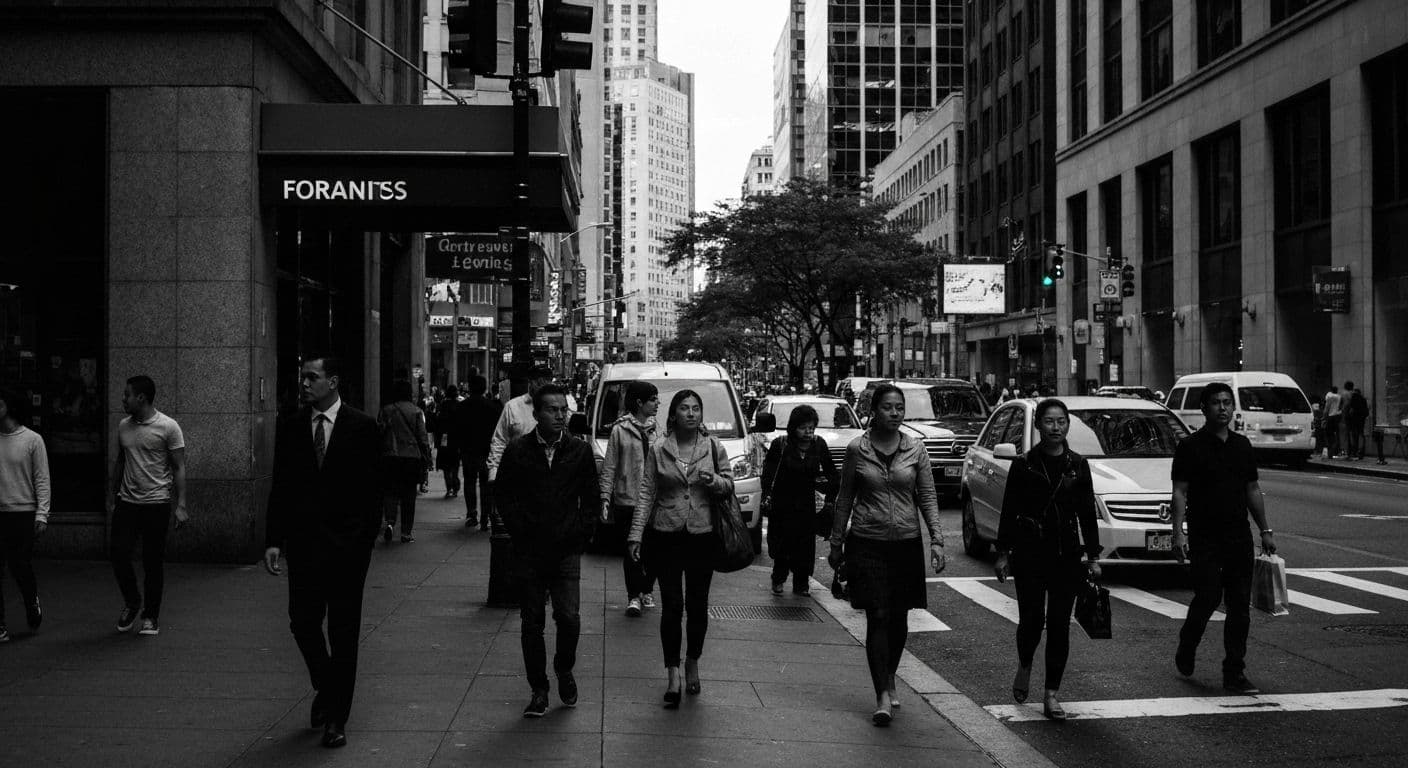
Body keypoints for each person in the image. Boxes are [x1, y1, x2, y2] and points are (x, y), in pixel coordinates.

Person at [264, 355, 382, 748]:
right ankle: (327, 686)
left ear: (332, 382)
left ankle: (337, 718)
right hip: (304, 546)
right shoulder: (293, 425)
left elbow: (373, 492)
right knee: (302, 621)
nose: (304, 383)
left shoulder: (363, 427)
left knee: (344, 632)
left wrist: (362, 544)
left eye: (311, 377)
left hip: (348, 550)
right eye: (302, 377)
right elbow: (280, 484)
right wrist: (273, 540)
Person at [827, 383, 946, 727]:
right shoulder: (857, 449)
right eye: (888, 407)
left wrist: (937, 540)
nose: (894, 413)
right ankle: (881, 693)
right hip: (867, 541)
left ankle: (889, 675)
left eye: (899, 408)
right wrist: (836, 543)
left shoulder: (915, 449)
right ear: (874, 411)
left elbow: (927, 496)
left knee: (899, 617)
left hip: (906, 542)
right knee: (877, 613)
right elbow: (845, 498)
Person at [494, 384, 599, 718]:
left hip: (567, 549)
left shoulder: (579, 451)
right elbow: (504, 496)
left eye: (563, 410)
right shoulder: (518, 450)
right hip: (530, 550)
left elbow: (592, 499)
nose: (559, 416)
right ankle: (538, 688)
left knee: (569, 618)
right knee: (531, 623)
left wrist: (582, 533)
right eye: (552, 410)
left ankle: (563, 667)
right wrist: (519, 531)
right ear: (536, 414)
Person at [993, 399, 1101, 721]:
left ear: (1068, 425)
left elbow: (1086, 514)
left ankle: (1051, 693)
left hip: (1066, 555)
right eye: (1049, 422)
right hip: (1029, 553)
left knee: (1058, 625)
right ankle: (1025, 663)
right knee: (1031, 623)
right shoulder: (1024, 464)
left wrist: (1093, 556)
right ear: (1038, 425)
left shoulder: (1077, 465)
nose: (1056, 427)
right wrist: (1002, 553)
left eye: (1061, 421)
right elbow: (1009, 511)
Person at [626, 390, 734, 708]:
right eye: (684, 408)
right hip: (666, 535)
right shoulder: (659, 448)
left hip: (702, 535)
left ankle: (692, 661)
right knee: (672, 605)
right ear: (673, 415)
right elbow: (646, 491)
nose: (691, 413)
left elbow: (728, 483)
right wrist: (635, 536)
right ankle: (672, 672)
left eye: (696, 408)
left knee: (698, 606)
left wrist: (714, 480)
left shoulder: (713, 446)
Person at [1171, 382, 1276, 695]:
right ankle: (1187, 644)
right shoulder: (1190, 446)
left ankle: (1234, 671)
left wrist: (1265, 530)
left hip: (1238, 537)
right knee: (1207, 596)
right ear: (1204, 408)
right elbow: (1180, 490)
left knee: (1239, 608)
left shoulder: (1242, 446)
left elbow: (1252, 490)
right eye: (1216, 402)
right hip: (1204, 536)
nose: (1223, 408)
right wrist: (1178, 532)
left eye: (1227, 402)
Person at [108, 375, 188, 637]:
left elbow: (179, 467)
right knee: (118, 554)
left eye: (127, 394)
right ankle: (132, 601)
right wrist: (113, 494)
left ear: (141, 398)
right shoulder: (123, 426)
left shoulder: (169, 427)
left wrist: (182, 505)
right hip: (127, 502)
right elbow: (121, 461)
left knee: (152, 561)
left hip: (156, 503)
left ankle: (151, 616)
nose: (123, 399)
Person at [760, 405, 838, 596]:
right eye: (803, 427)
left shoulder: (819, 445)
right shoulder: (780, 445)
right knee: (783, 548)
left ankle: (801, 584)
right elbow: (768, 475)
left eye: (811, 427)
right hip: (782, 506)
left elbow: (833, 475)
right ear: (793, 427)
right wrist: (767, 496)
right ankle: (778, 578)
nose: (808, 432)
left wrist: (829, 499)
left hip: (806, 507)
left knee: (804, 548)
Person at [600, 380, 660, 616]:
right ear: (639, 403)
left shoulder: (658, 430)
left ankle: (646, 589)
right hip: (627, 499)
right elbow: (610, 466)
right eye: (653, 400)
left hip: (654, 501)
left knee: (653, 551)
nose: (657, 404)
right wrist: (605, 496)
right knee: (632, 551)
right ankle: (633, 596)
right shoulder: (619, 430)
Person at [0, 387, 49, 643]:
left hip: (22, 512)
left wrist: (42, 514)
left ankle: (31, 602)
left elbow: (42, 479)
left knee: (20, 566)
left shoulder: (32, 440)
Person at [377, 379, 432, 544]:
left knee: (390, 491)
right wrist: (427, 459)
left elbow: (379, 433)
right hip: (411, 457)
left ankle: (390, 522)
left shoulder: (386, 410)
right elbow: (422, 438)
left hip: (390, 456)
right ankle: (406, 532)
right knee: (409, 494)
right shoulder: (416, 411)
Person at [487, 366, 556, 481]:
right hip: (518, 475)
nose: (542, 388)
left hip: (549, 477)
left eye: (546, 384)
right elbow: (499, 441)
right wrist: (493, 473)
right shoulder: (512, 407)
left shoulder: (557, 409)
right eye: (539, 383)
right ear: (530, 382)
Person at [452, 375, 502, 530]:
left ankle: (472, 513)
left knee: (470, 482)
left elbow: (456, 431)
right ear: (484, 388)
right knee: (486, 486)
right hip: (487, 452)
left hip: (468, 451)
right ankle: (485, 517)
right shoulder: (493, 407)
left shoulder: (461, 407)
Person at [436, 385, 462, 498]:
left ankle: (449, 488)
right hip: (456, 438)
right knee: (455, 465)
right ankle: (455, 486)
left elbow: (438, 423)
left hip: (445, 438)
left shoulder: (443, 405)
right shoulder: (459, 405)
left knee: (446, 466)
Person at [1343, 381, 1369, 461]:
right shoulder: (1363, 399)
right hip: (1361, 419)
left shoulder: (1353, 397)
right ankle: (1361, 452)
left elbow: (1349, 408)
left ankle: (1353, 452)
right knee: (1361, 435)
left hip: (1354, 420)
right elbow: (1366, 411)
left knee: (1354, 436)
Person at [1322, 385, 1342, 459]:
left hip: (1330, 417)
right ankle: (1336, 451)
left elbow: (1326, 408)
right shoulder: (1339, 397)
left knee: (1329, 435)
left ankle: (1330, 453)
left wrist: (1324, 418)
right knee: (1336, 434)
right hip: (1337, 416)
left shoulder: (1330, 397)